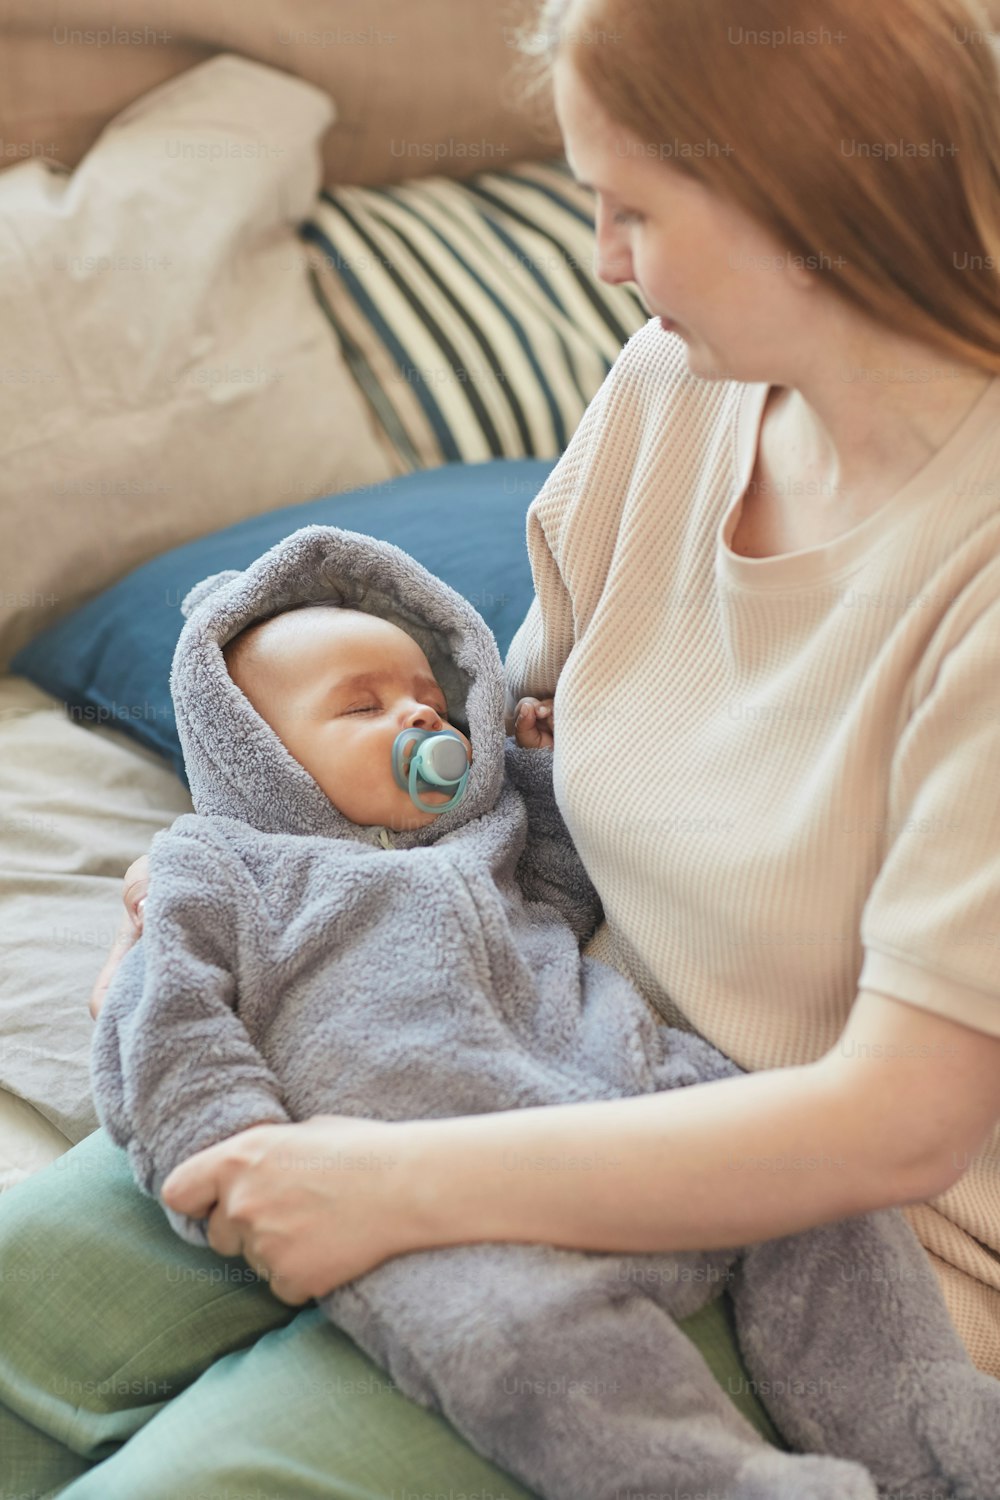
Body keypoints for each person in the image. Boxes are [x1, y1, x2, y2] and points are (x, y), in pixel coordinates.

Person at [2, 0, 1000, 1494]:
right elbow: (489, 749)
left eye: (634, 207)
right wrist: (213, 900)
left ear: (807, 194)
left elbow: (898, 1125)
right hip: (498, 1037)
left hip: (837, 1235)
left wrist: (385, 1186)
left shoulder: (972, 580)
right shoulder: (669, 391)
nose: (602, 255)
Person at [83, 522, 1000, 1500]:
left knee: (826, 1203)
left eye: (430, 702)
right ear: (250, 749)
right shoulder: (222, 872)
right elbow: (165, 1027)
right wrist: (232, 1152)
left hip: (638, 1099)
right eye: (361, 706)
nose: (416, 723)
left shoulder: (487, 835)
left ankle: (934, 1443)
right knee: (507, 1344)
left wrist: (545, 776)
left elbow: (570, 894)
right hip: (423, 1206)